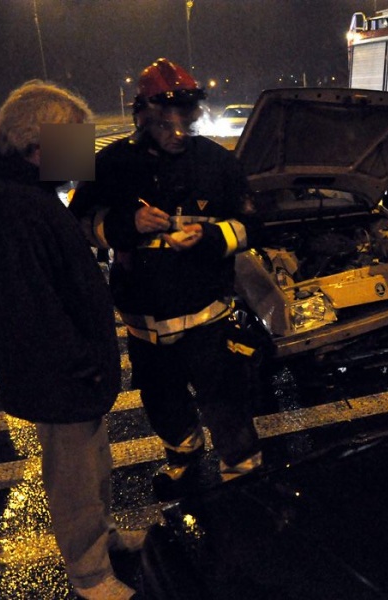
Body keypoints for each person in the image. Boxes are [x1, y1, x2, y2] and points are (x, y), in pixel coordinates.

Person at [0, 81, 142, 600]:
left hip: (71, 367)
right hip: (60, 372)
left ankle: (102, 540)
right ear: (35, 143)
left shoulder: (29, 195)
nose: (81, 156)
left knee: (93, 464)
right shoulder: (10, 206)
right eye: (73, 142)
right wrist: (79, 362)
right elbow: (29, 306)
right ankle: (90, 573)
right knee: (74, 477)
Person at [69, 58, 262, 501]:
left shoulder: (218, 162)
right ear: (143, 116)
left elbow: (255, 225)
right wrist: (126, 225)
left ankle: (244, 477)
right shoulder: (111, 163)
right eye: (166, 123)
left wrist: (210, 237)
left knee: (225, 400)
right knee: (162, 401)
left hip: (207, 319)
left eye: (186, 121)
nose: (178, 133)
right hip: (144, 324)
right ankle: (183, 460)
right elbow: (76, 223)